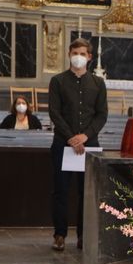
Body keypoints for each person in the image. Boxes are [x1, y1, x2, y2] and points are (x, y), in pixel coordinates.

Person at [48, 39, 108, 252]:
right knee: (61, 191)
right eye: (75, 52)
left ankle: (84, 235)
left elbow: (102, 115)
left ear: (90, 57)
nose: (78, 56)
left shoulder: (98, 83)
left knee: (87, 193)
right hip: (62, 144)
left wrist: (85, 136)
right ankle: (60, 234)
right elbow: (55, 113)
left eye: (83, 53)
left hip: (89, 145)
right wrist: (71, 137)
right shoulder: (58, 81)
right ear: (69, 54)